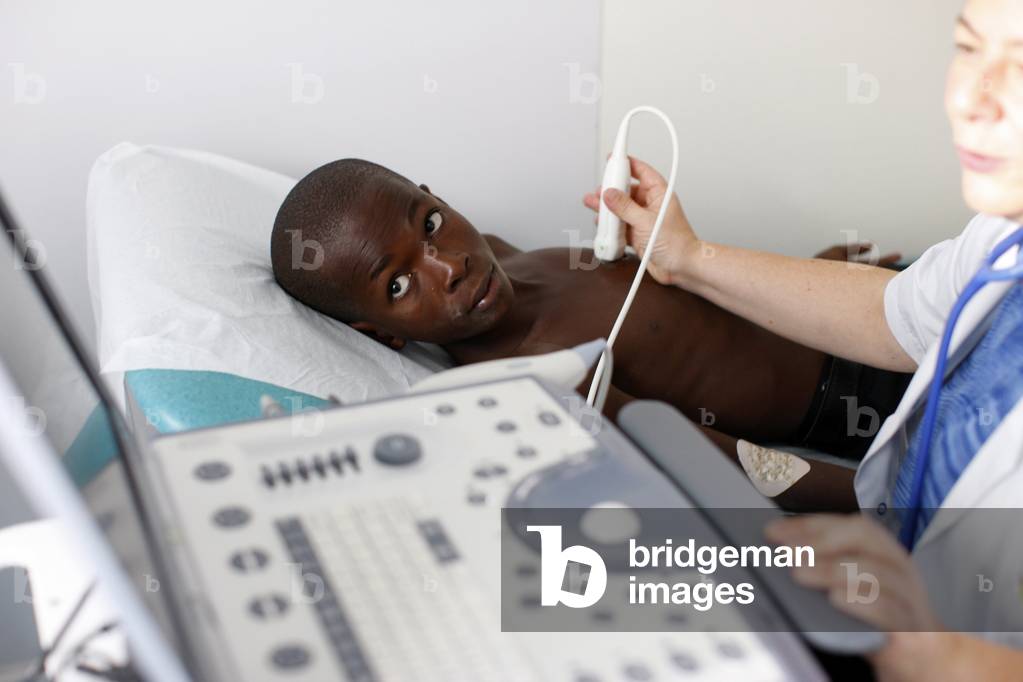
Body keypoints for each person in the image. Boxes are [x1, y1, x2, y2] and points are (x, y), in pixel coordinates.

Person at [583, 0, 1023, 678]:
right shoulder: (1006, 231)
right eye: (967, 47)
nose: (970, 97)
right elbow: (897, 316)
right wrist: (686, 257)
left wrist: (943, 653)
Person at [269, 159, 911, 510]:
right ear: (380, 335)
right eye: (400, 287)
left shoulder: (498, 256)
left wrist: (813, 273)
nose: (448, 265)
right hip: (860, 399)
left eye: (430, 222)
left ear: (434, 194)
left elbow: (686, 306)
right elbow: (737, 464)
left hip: (835, 312)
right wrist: (888, 500)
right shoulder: (547, 373)